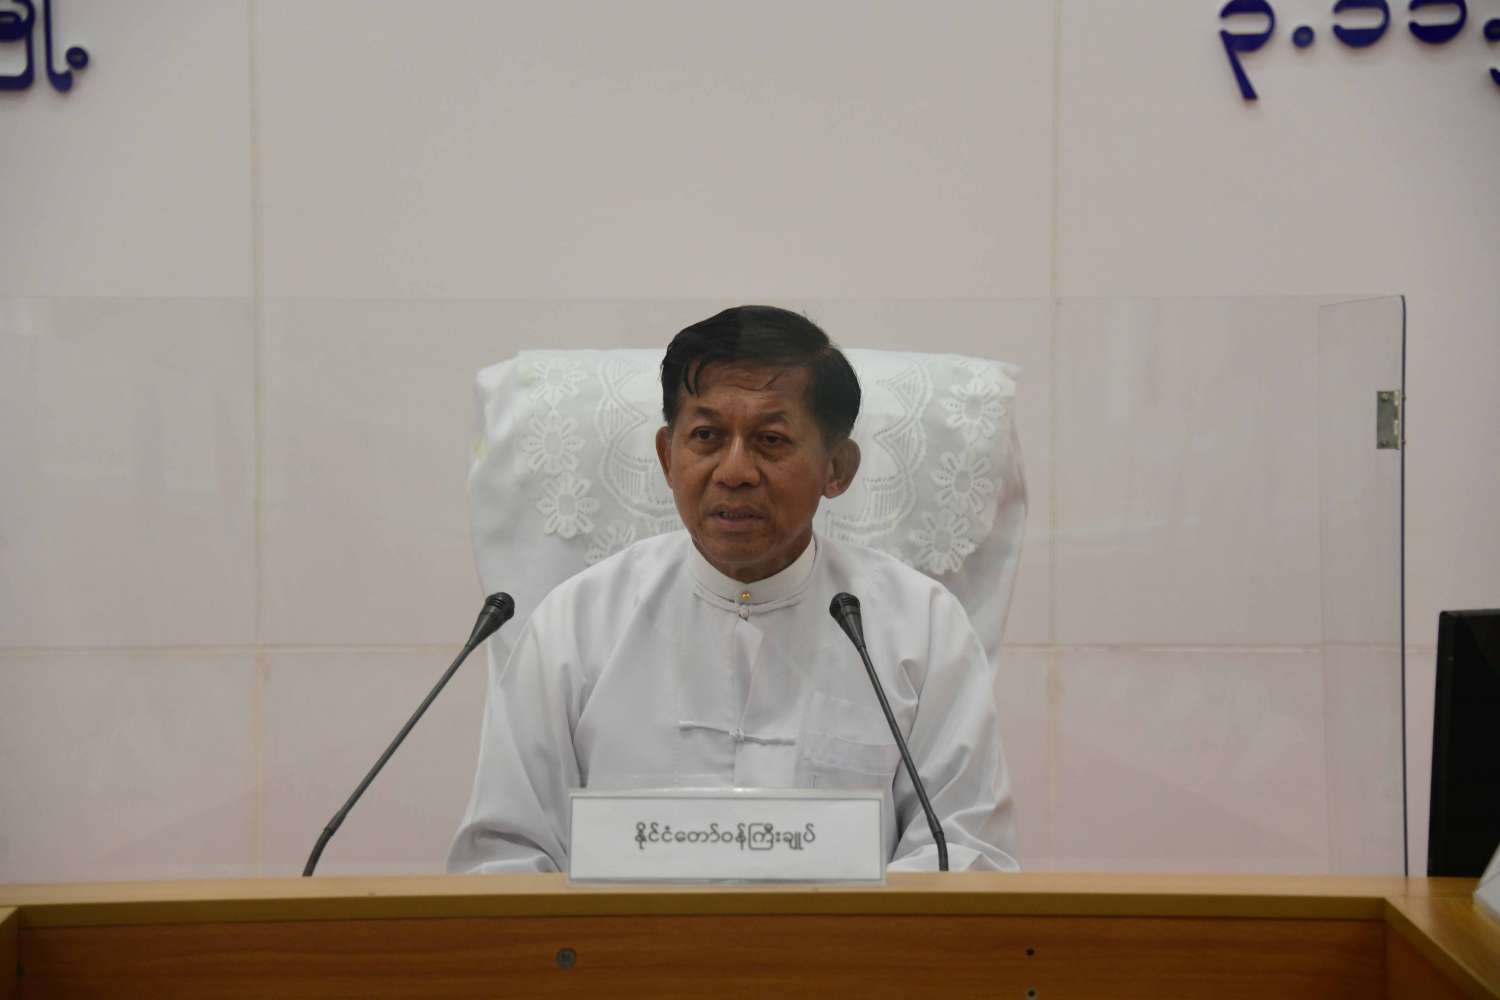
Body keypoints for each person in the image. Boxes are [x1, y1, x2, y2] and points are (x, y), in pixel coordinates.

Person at [448, 305, 1017, 873]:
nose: (735, 471)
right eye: (707, 436)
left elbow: (964, 851)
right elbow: (506, 855)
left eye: (771, 439)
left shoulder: (920, 626)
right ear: (667, 456)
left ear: (837, 468)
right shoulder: (577, 623)